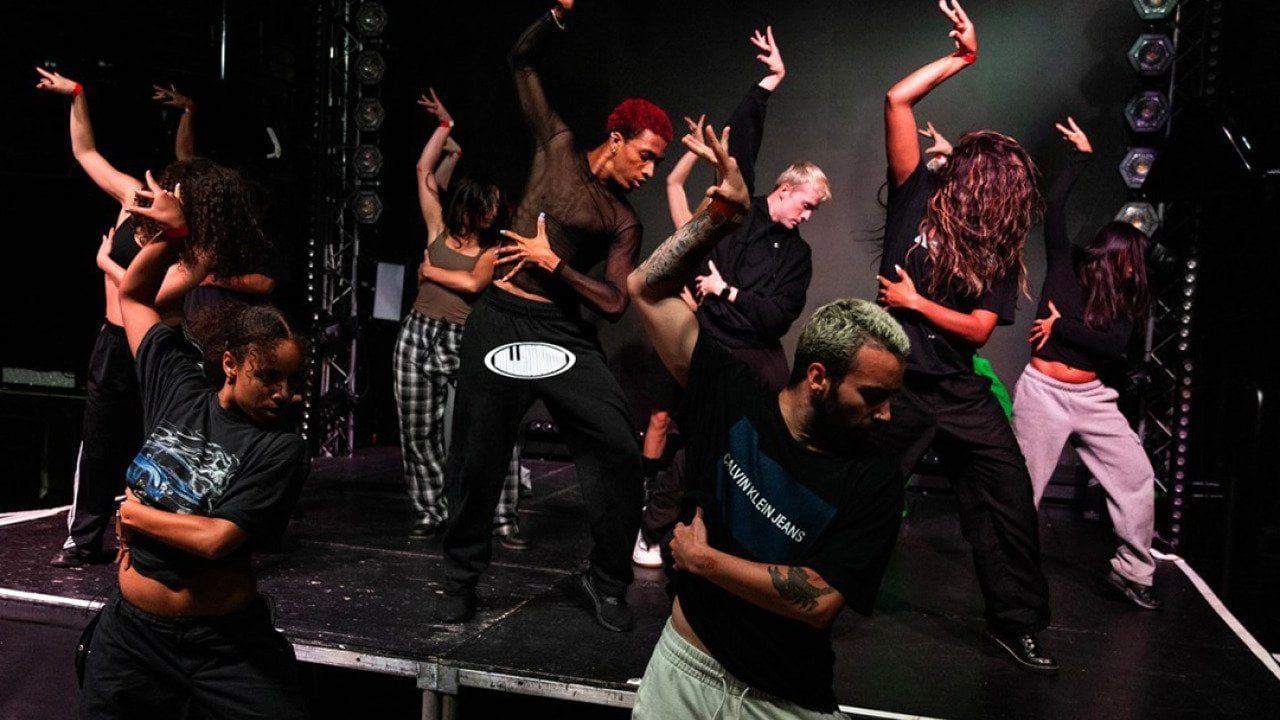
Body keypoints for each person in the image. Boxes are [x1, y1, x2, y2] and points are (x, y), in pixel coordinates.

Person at [628, 122, 909, 719]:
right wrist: (721, 212)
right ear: (818, 379)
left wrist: (705, 562)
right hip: (682, 670)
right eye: (872, 395)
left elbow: (819, 601)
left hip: (783, 702)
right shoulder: (736, 400)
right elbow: (645, 289)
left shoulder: (876, 478)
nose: (886, 413)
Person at [438, 0, 671, 631]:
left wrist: (555, 264)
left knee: (619, 450)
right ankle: (462, 576)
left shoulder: (625, 219)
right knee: (476, 457)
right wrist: (556, 13)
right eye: (644, 156)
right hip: (502, 321)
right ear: (616, 139)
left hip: (565, 334)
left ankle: (609, 582)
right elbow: (521, 59)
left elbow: (615, 301)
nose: (649, 171)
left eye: (656, 163)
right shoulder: (559, 145)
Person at [75, 166, 312, 718]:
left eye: (296, 383)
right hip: (131, 638)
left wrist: (134, 516)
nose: (286, 395)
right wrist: (174, 239)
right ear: (230, 365)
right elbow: (135, 297)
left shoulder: (281, 449)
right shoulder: (177, 389)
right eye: (270, 378)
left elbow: (214, 541)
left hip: (222, 647)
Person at [874, 0, 1057, 674]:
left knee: (1006, 498)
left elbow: (980, 329)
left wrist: (918, 301)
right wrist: (963, 58)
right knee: (856, 492)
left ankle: (1018, 624)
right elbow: (896, 98)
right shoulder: (914, 197)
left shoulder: (997, 252)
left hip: (955, 386)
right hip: (889, 381)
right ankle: (811, 595)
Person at [35, 67, 254, 569]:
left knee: (160, 441)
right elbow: (86, 153)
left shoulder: (199, 247)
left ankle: (159, 534)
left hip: (159, 345)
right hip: (114, 342)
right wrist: (78, 96)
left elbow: (149, 296)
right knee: (99, 441)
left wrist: (104, 263)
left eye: (176, 188)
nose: (163, 185)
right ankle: (83, 537)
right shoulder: (130, 198)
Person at [634, 26, 830, 568]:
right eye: (806, 204)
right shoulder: (738, 215)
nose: (806, 216)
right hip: (714, 341)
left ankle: (746, 529)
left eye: (814, 211)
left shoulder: (799, 256)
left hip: (761, 354)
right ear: (786, 189)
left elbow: (777, 316)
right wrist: (768, 82)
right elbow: (740, 149)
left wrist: (732, 290)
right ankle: (652, 530)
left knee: (772, 438)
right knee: (703, 440)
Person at [1011, 116, 1161, 611]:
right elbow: (1054, 206)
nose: (1133, 270)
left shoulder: (1121, 299)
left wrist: (1062, 328)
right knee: (1023, 486)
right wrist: (1081, 158)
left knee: (1135, 473)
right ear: (1113, 253)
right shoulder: (1064, 264)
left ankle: (1134, 572)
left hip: (1092, 397)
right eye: (1130, 260)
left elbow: (1114, 346)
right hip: (1043, 392)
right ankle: (1009, 563)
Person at [393, 89, 527, 548]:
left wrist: (430, 270)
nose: (496, 212)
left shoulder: (494, 248)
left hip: (465, 337)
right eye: (489, 204)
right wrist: (445, 127)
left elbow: (473, 286)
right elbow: (422, 170)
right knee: (417, 430)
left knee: (487, 429)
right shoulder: (438, 227)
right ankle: (430, 510)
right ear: (471, 203)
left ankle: (502, 516)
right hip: (418, 334)